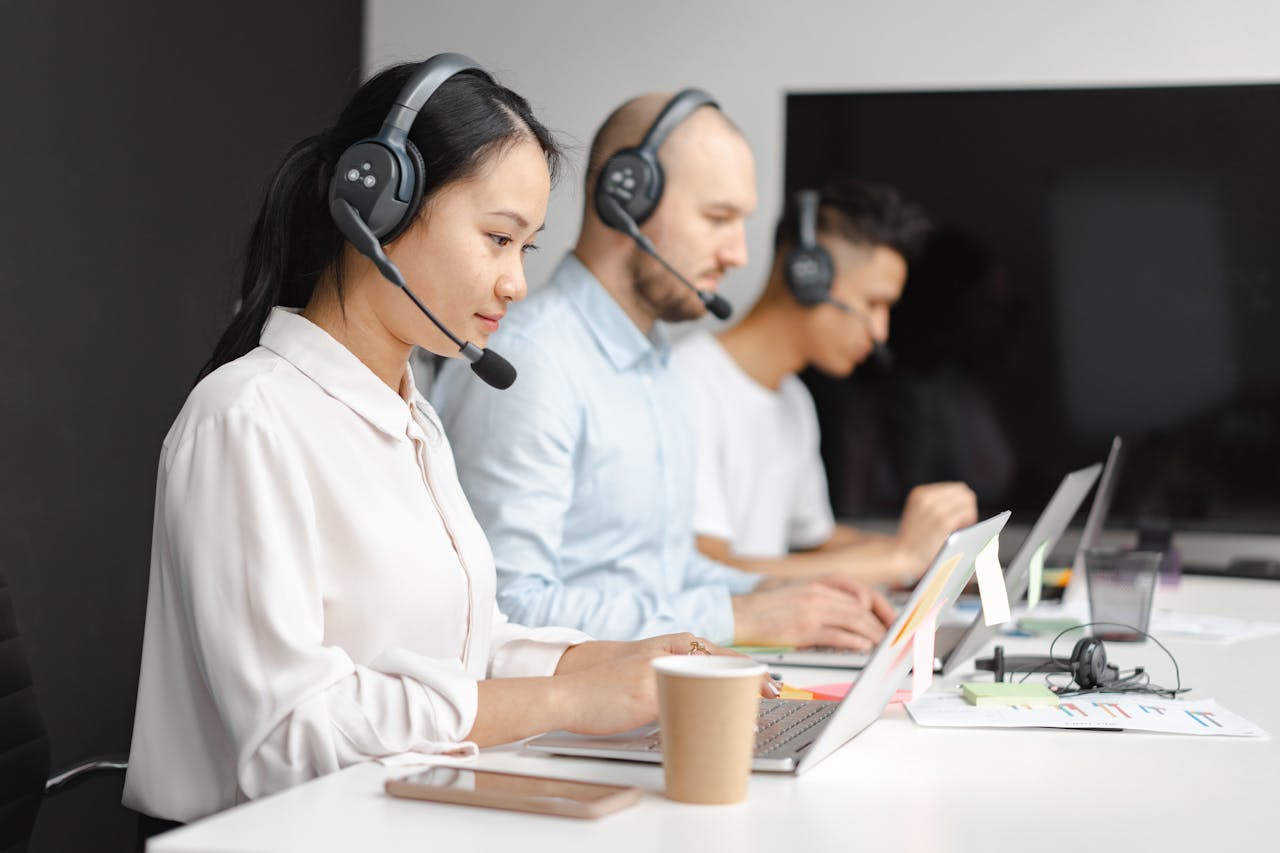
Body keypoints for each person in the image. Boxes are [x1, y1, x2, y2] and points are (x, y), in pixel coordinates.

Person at [123, 57, 744, 826]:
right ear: (376, 205)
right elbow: (291, 734)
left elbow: (460, 647)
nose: (517, 282)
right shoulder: (247, 418)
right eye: (497, 238)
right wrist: (563, 699)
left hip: (396, 821)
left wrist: (612, 661)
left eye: (527, 248)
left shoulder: (414, 416)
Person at [432, 91, 894, 651]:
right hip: (554, 729)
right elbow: (505, 607)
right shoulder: (534, 363)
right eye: (718, 218)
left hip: (647, 704)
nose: (738, 254)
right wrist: (743, 620)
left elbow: (665, 574)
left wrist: (782, 594)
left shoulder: (660, 368)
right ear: (628, 195)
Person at [672, 181, 978, 587]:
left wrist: (932, 552)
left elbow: (817, 543)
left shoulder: (794, 400)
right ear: (808, 274)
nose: (881, 332)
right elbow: (710, 571)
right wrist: (896, 561)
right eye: (874, 303)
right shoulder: (688, 382)